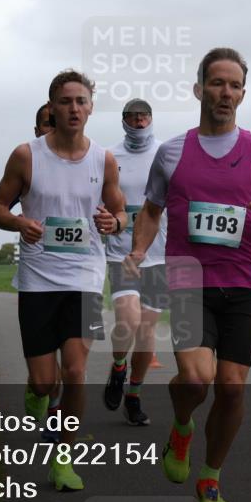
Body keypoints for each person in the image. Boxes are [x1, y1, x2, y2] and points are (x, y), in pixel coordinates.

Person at [123, 48, 251, 502]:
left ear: (243, 93)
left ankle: (211, 476)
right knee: (199, 379)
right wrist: (140, 250)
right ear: (199, 88)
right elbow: (151, 209)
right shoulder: (172, 152)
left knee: (232, 388)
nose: (226, 93)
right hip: (188, 279)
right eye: (218, 83)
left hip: (243, 282)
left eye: (235, 85)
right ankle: (182, 425)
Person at [0, 68, 127, 492]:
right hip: (37, 279)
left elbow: (121, 216)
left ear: (90, 108)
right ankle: (37, 392)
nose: (73, 108)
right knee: (45, 380)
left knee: (76, 369)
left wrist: (111, 221)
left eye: (81, 101)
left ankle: (64, 459)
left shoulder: (103, 159)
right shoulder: (26, 155)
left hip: (85, 276)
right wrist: (18, 223)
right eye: (65, 101)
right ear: (52, 107)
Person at [103, 98, 169, 427]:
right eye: (133, 118)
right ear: (124, 121)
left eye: (144, 117)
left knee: (146, 332)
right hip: (121, 252)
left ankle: (134, 395)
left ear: (152, 120)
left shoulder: (167, 153)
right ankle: (118, 368)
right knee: (127, 321)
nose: (139, 123)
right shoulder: (110, 157)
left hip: (159, 255)